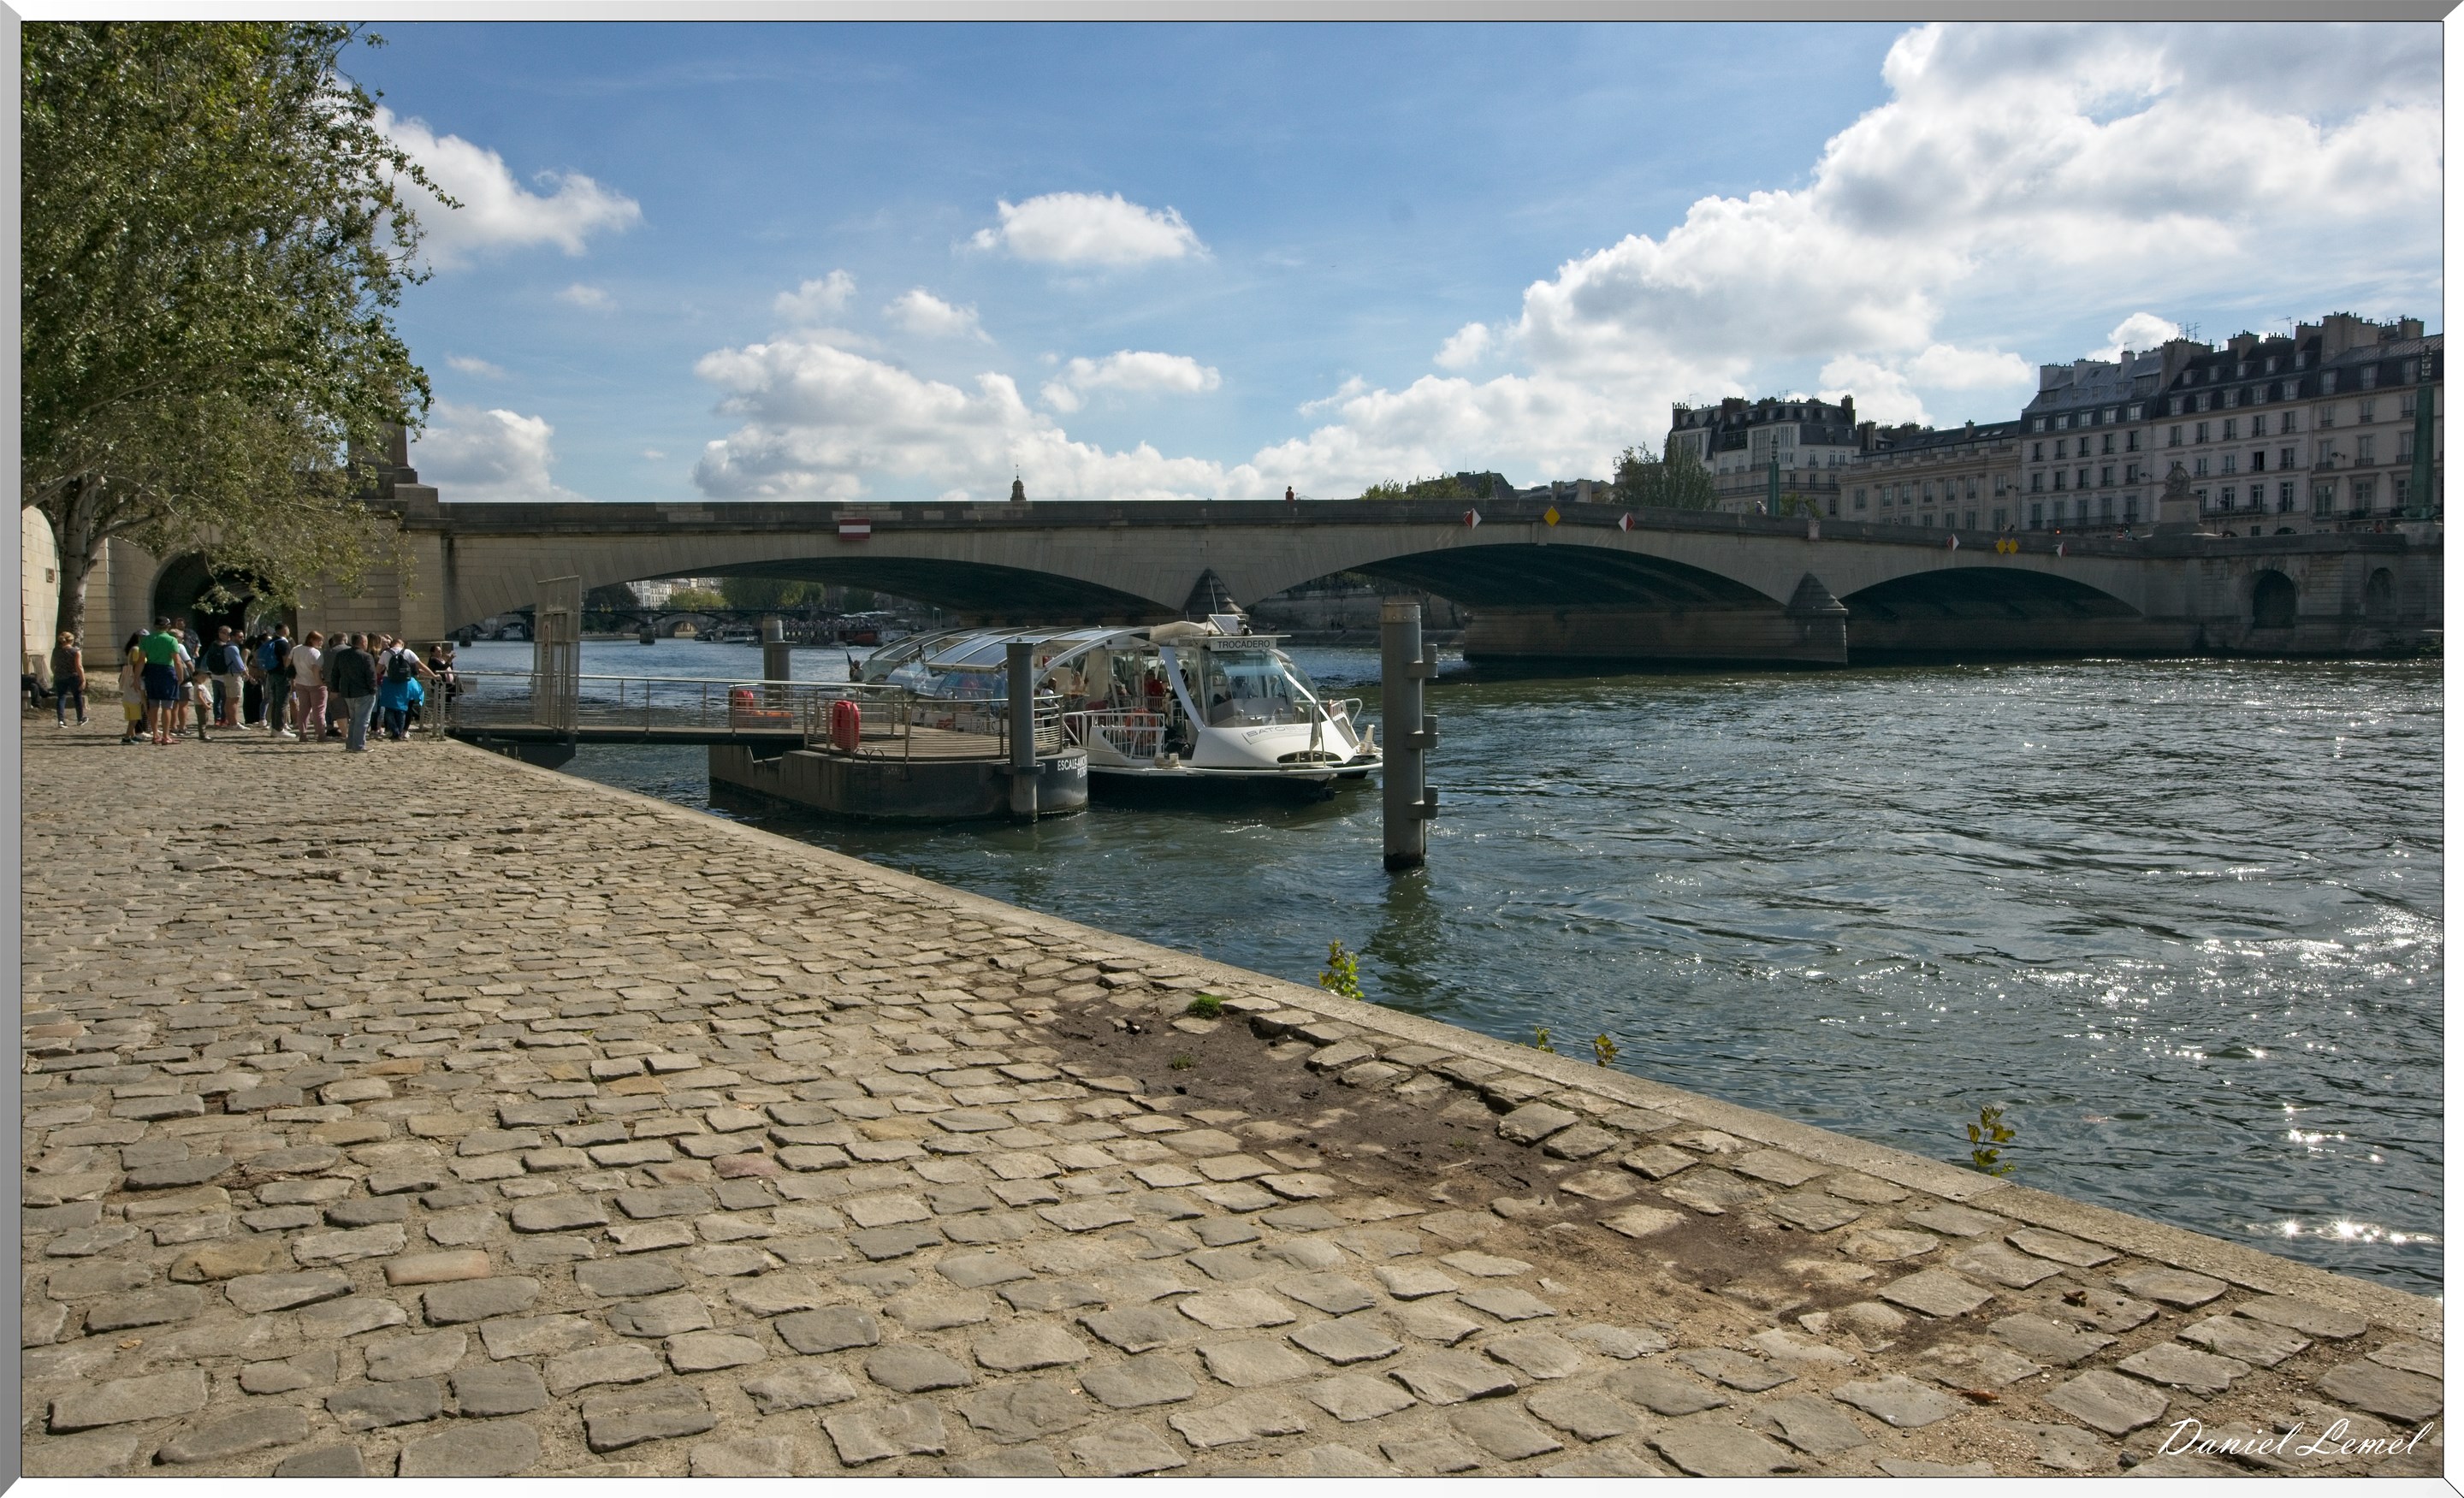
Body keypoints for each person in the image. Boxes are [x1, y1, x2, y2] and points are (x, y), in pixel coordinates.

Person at [326, 631, 380, 751]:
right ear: (363, 642)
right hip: (364, 692)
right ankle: (358, 746)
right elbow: (371, 675)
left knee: (354, 720)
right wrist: (373, 690)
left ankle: (350, 744)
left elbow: (335, 673)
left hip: (347, 692)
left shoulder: (342, 655)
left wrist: (335, 689)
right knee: (362, 720)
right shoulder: (366, 656)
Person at [138, 615, 186, 745]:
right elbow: (177, 661)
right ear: (168, 627)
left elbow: (141, 661)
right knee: (167, 706)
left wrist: (136, 677)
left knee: (153, 705)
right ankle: (165, 735)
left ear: (155, 626)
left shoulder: (146, 640)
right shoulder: (171, 640)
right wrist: (180, 676)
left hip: (151, 671)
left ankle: (155, 735)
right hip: (167, 672)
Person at [288, 631, 325, 744]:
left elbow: (288, 663)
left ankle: (303, 733)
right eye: (319, 640)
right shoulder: (315, 652)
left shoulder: (296, 649)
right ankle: (321, 734)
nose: (321, 643)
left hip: (300, 681)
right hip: (315, 683)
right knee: (318, 710)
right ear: (311, 640)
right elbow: (316, 669)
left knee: (303, 709)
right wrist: (321, 683)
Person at [258, 625, 293, 737]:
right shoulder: (283, 643)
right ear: (284, 630)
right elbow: (286, 661)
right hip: (282, 675)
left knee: (275, 702)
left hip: (272, 673)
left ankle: (274, 727)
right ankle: (279, 728)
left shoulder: (272, 641)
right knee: (282, 702)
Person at [210, 625, 246, 727]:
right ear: (233, 637)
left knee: (228, 700)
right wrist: (246, 674)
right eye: (240, 637)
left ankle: (229, 721)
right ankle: (234, 723)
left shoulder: (225, 646)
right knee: (234, 700)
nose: (242, 639)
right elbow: (239, 664)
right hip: (234, 675)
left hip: (227, 675)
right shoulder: (233, 648)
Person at [50, 631, 86, 727]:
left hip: (60, 677)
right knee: (77, 697)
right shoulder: (75, 651)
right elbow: (79, 666)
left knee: (61, 697)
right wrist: (83, 679)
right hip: (73, 677)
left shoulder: (56, 651)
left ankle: (61, 720)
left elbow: (52, 665)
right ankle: (80, 718)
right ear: (71, 641)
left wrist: (56, 673)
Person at [118, 631, 147, 743]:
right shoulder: (136, 650)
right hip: (134, 699)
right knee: (134, 719)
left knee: (132, 718)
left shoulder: (134, 649)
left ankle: (133, 735)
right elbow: (136, 663)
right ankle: (126, 737)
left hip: (127, 698)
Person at [187, 665, 217, 742]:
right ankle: (202, 735)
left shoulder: (201, 685)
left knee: (205, 720)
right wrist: (205, 705)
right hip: (201, 706)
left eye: (205, 677)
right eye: (202, 677)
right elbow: (200, 696)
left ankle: (204, 734)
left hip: (203, 705)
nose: (204, 679)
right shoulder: (198, 686)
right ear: (196, 677)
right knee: (202, 721)